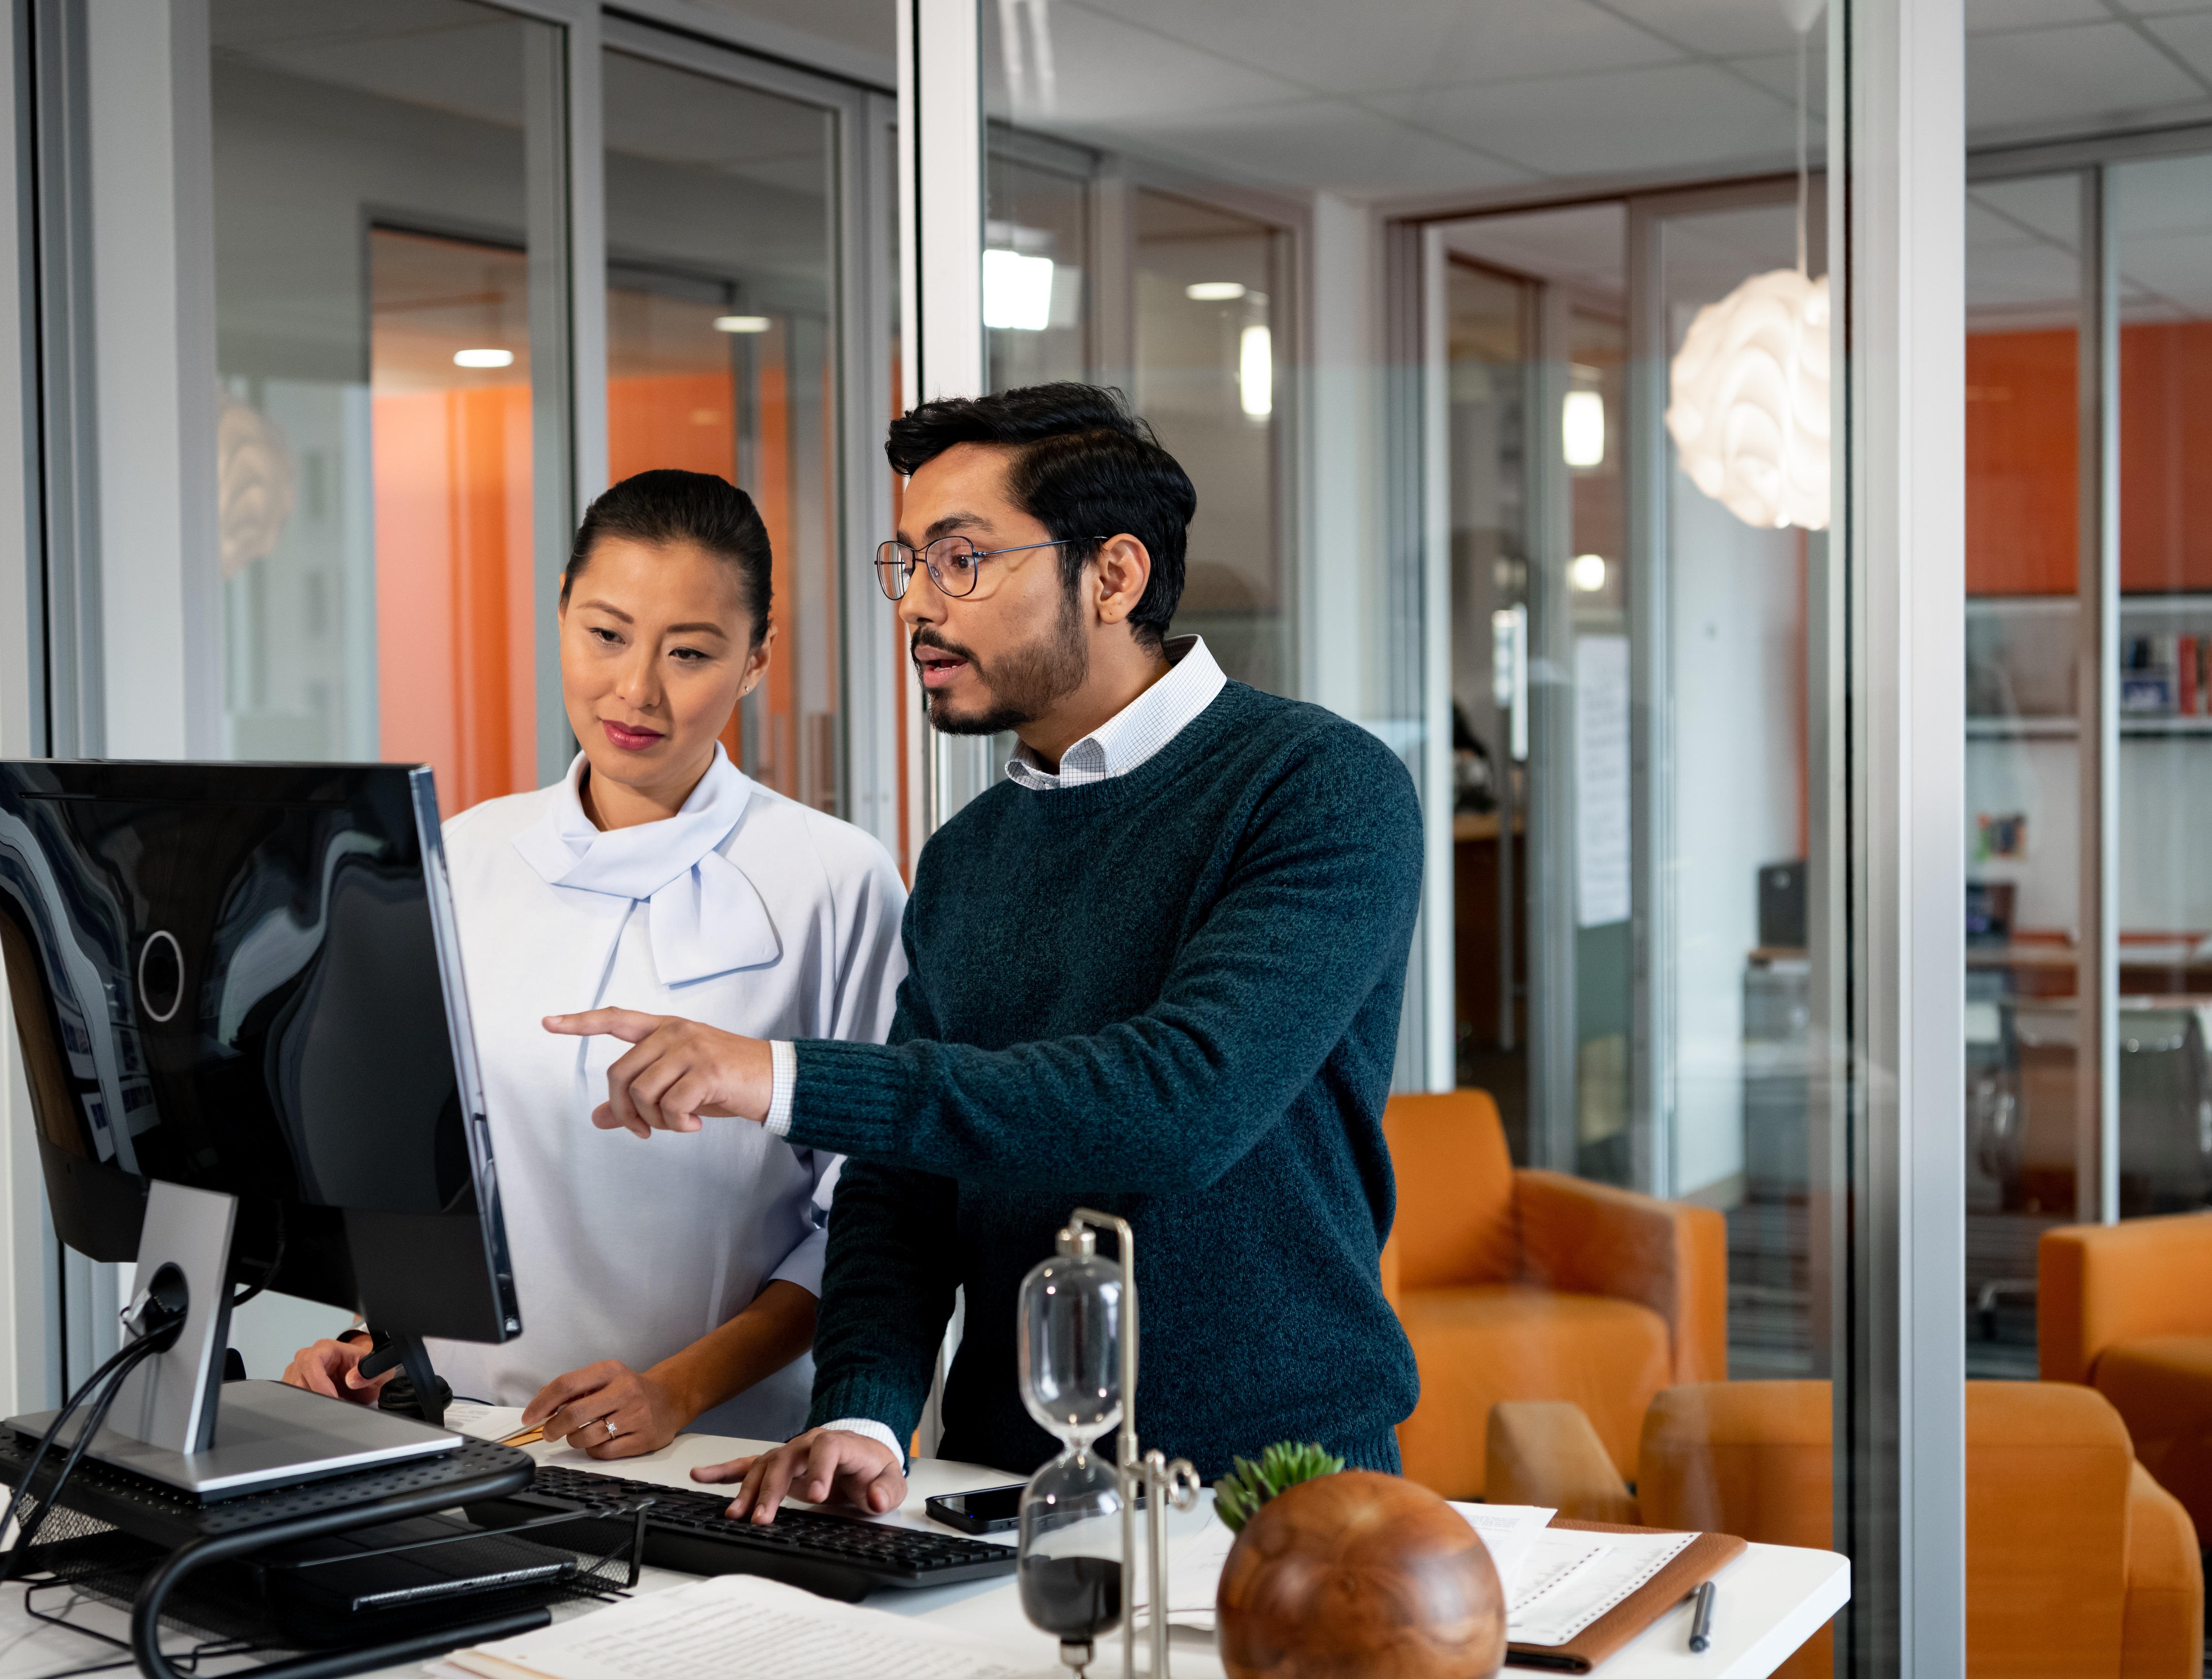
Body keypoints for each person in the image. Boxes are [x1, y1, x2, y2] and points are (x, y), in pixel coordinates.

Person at [543, 384, 1423, 1517]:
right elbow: (901, 1189)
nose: (916, 603)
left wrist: (775, 1073)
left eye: (960, 560)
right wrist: (863, 1409)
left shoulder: (1318, 786)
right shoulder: (968, 855)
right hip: (1005, 1483)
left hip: (1278, 1486)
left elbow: (1180, 1101)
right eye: (905, 562)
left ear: (1113, 576)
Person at [282, 469, 905, 1458]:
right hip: (464, 1438)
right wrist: (371, 1344)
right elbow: (429, 1169)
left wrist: (675, 1391)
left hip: (710, 1450)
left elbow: (869, 1216)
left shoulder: (833, 880)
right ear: (561, 610)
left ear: (755, 662)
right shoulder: (463, 855)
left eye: (690, 652)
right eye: (605, 633)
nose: (635, 690)